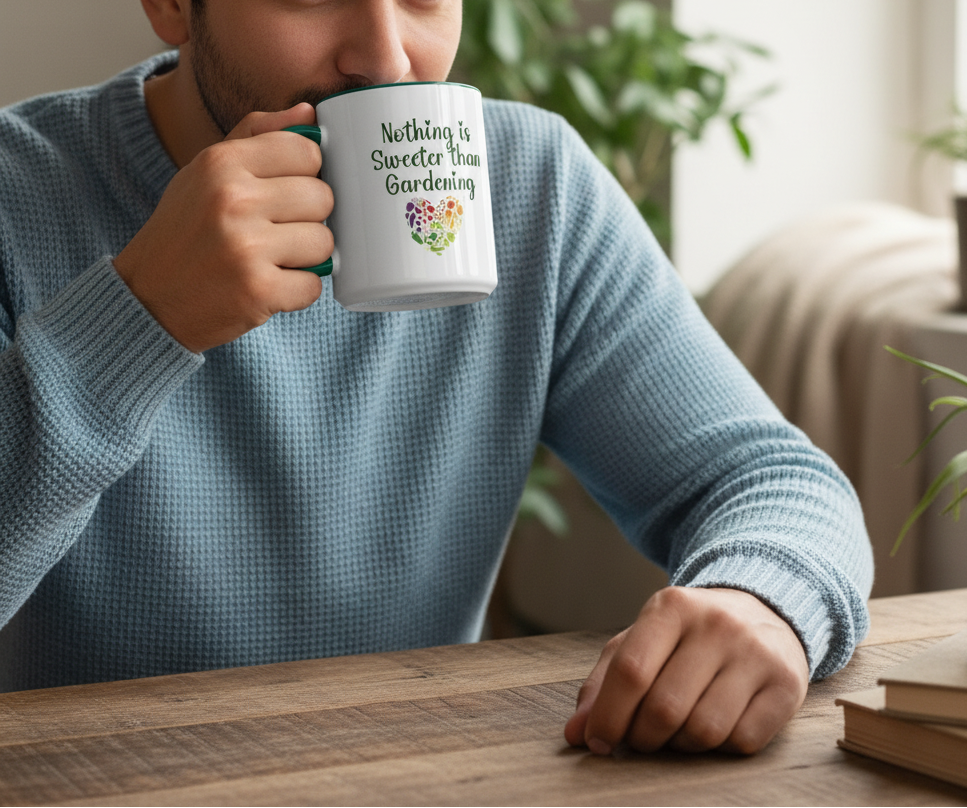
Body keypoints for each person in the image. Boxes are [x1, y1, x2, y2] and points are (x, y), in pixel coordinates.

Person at [0, 0, 872, 757]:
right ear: (172, 4)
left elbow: (774, 483)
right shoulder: (17, 192)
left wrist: (760, 599)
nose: (386, 56)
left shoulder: (531, 187)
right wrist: (142, 314)